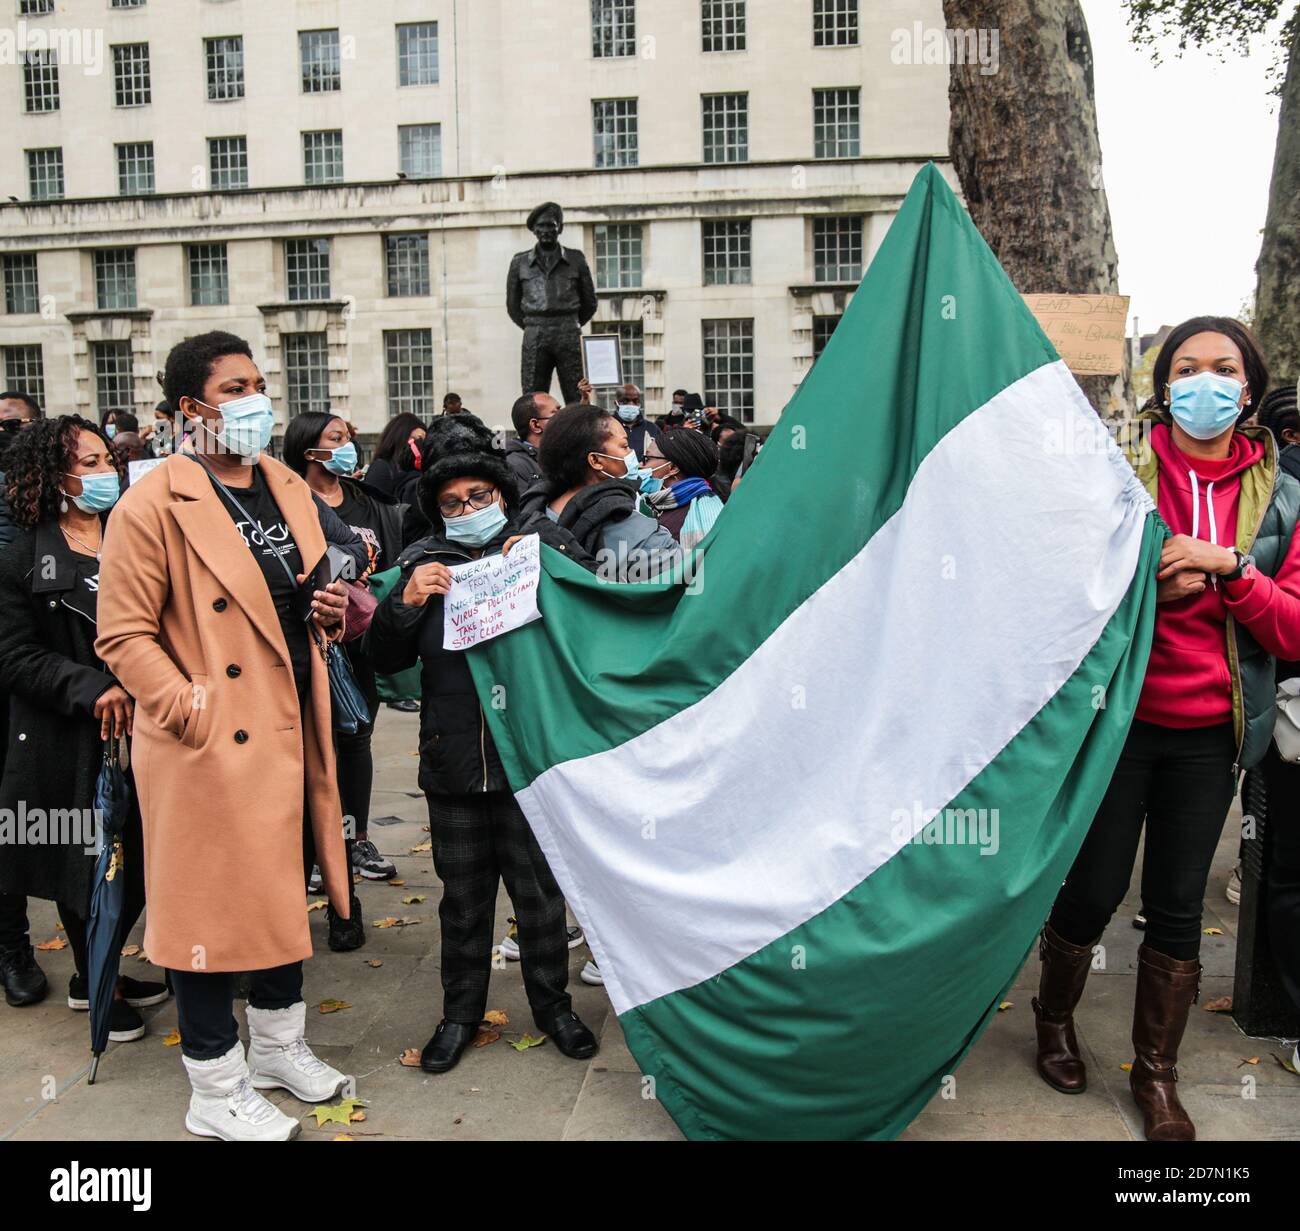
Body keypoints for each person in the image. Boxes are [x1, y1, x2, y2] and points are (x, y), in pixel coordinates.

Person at [1032, 317, 1300, 1143]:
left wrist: (1231, 571)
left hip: (1212, 734)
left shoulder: (1284, 495)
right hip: (1115, 724)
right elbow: (1061, 586)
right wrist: (1147, 584)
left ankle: (1157, 1075)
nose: (1205, 383)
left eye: (1224, 368)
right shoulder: (1115, 472)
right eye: (1187, 368)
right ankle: (1052, 1019)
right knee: (1092, 888)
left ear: (1248, 387)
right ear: (1164, 383)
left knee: (1178, 906)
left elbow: (1292, 629)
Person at [96, 330, 355, 1141]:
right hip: (206, 743)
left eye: (257, 382)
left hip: (287, 723)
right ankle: (213, 1087)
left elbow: (302, 593)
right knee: (204, 910)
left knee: (281, 890)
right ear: (190, 408)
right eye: (235, 387)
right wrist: (188, 709)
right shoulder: (152, 501)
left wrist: (332, 613)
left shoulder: (283, 482)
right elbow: (123, 635)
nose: (254, 399)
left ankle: (278, 1046)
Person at [364, 449, 599, 1074]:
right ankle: (459, 1016)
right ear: (437, 513)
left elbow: (591, 622)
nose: (468, 509)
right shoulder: (420, 564)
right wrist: (405, 603)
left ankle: (553, 1008)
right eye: (452, 503)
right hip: (454, 763)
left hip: (530, 762)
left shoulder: (543, 549)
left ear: (501, 495)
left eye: (479, 496)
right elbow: (382, 658)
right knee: (463, 902)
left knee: (540, 898)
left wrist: (550, 566)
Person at [0, 416, 166, 1033]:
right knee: (89, 865)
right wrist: (93, 688)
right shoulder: (24, 557)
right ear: (53, 477)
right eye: (89, 464)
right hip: (75, 738)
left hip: (151, 728)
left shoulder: (134, 535)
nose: (106, 474)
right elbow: (16, 656)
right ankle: (96, 981)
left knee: (145, 861)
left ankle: (102, 968)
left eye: (107, 461)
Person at [283, 412, 403, 892]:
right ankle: (313, 851)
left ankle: (358, 839)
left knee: (358, 738)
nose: (348, 446)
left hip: (361, 641)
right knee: (312, 746)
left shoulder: (367, 502)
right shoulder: (289, 503)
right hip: (312, 641)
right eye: (337, 439)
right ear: (310, 451)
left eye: (349, 438)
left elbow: (387, 561)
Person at [518, 402, 682, 581]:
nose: (632, 454)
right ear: (595, 460)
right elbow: (685, 585)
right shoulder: (646, 539)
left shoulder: (527, 521)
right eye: (624, 446)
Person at [641, 429, 725, 549]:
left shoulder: (707, 515)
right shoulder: (649, 503)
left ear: (673, 468)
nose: (641, 465)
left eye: (647, 458)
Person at [364, 413, 427, 499]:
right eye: (417, 439)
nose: (420, 445)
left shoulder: (419, 470)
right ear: (401, 435)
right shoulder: (381, 468)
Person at [506, 392, 558, 491]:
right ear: (535, 425)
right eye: (556, 414)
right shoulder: (515, 465)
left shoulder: (561, 454)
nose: (564, 418)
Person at [608, 383, 661, 460]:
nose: (631, 404)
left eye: (635, 401)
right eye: (625, 401)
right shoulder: (607, 427)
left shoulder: (652, 428)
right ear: (616, 403)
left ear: (639, 403)